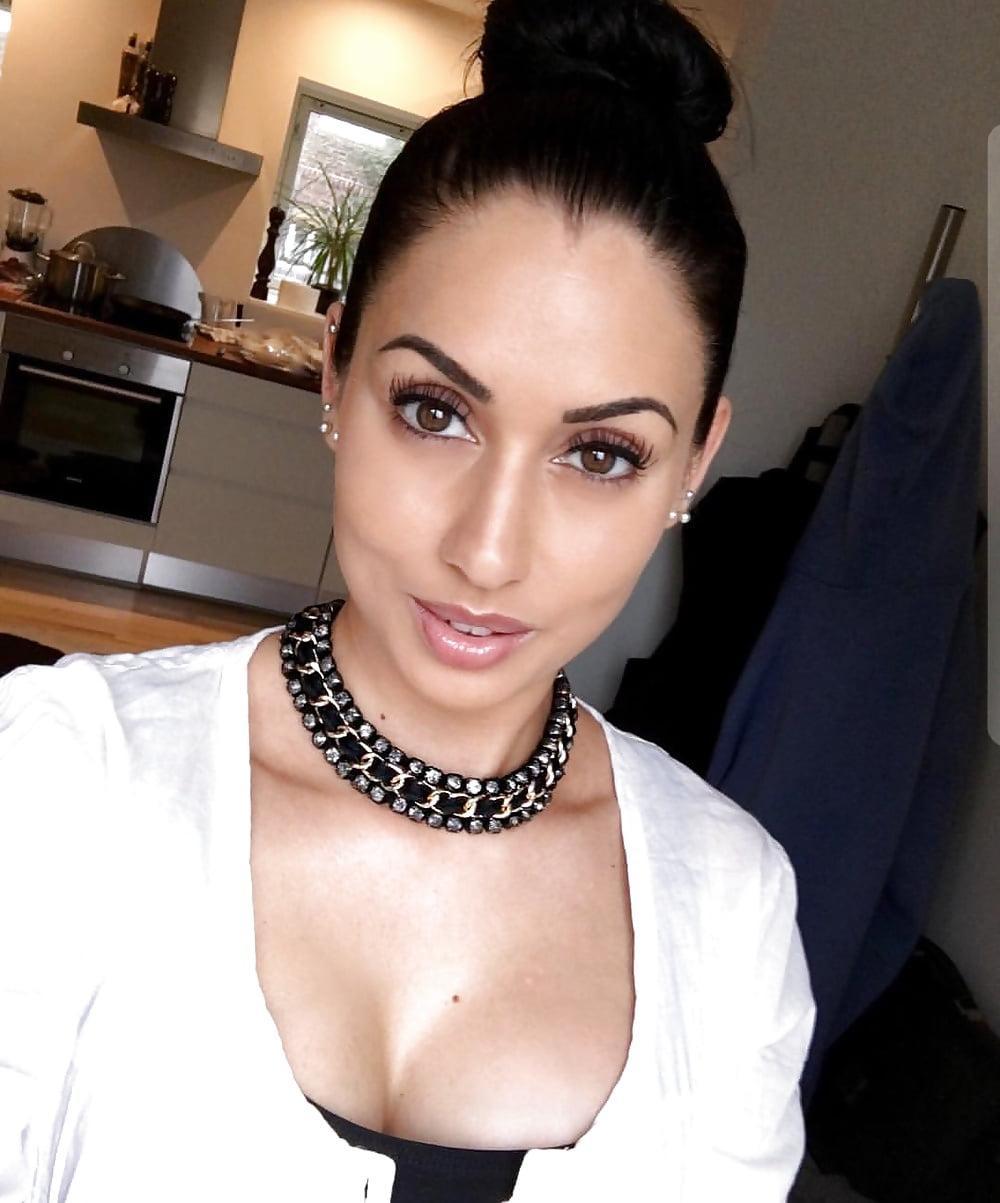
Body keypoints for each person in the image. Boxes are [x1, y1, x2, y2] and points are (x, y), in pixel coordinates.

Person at [0, 1, 815, 1200]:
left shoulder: (731, 905)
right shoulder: (66, 782)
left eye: (601, 455)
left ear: (693, 464)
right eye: (435, 411)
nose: (487, 552)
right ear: (336, 374)